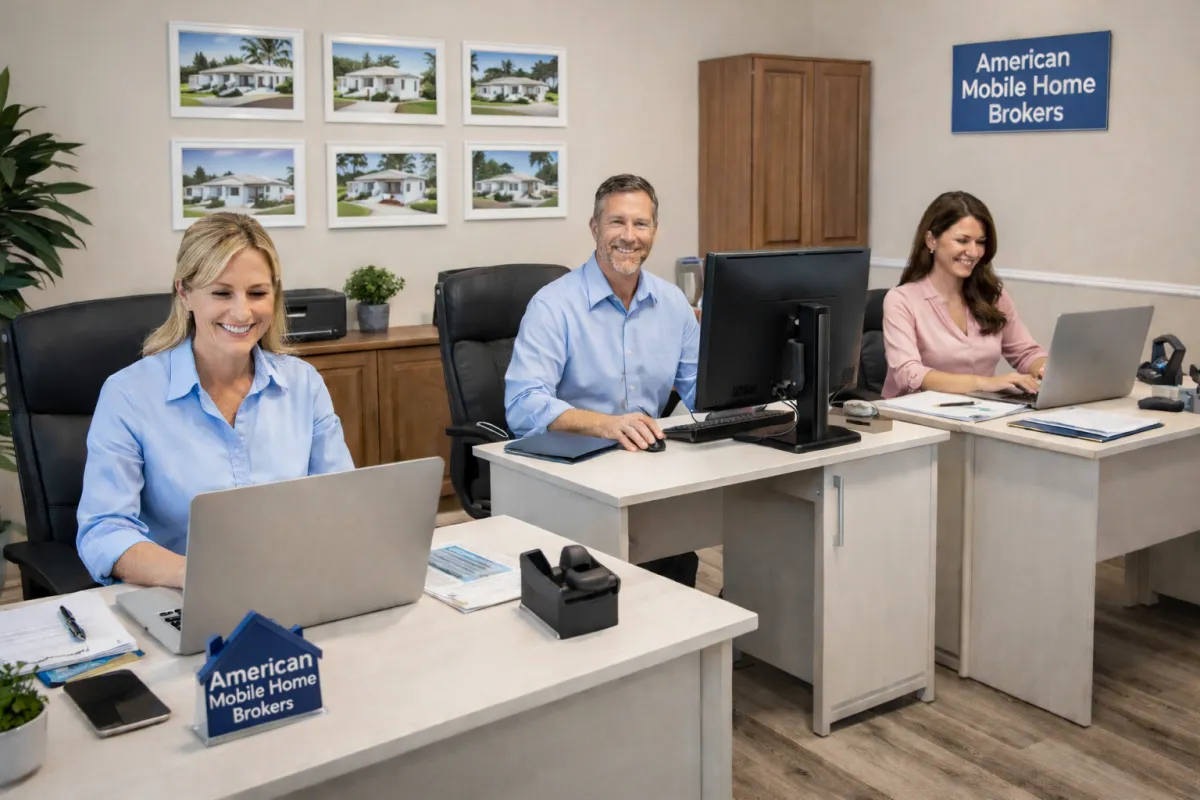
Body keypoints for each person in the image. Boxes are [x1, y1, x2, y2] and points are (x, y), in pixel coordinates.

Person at [76, 213, 355, 588]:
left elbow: (342, 501)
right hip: (180, 594)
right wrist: (195, 575)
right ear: (185, 293)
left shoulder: (302, 384)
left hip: (293, 582)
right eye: (222, 293)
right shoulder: (129, 395)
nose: (242, 312)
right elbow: (105, 531)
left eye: (257, 293)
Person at [505, 174, 701, 586]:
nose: (629, 236)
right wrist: (607, 424)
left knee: (673, 567)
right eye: (617, 223)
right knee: (607, 587)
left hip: (649, 474)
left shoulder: (673, 305)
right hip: (572, 477)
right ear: (595, 228)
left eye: (640, 224)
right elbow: (523, 404)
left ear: (654, 231)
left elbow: (704, 390)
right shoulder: (553, 306)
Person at [881, 191, 1047, 399]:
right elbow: (909, 374)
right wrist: (986, 383)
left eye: (980, 242)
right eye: (962, 240)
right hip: (917, 423)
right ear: (931, 240)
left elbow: (1026, 353)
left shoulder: (993, 296)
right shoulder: (901, 300)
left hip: (980, 415)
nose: (974, 252)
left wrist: (1045, 369)